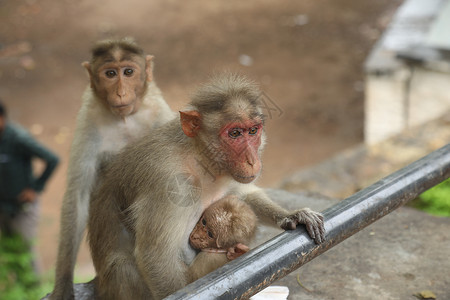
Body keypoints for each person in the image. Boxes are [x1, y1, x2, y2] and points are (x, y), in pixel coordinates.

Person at [0, 100, 59, 273]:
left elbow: (52, 159)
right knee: (10, 252)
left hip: (22, 208)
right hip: (3, 207)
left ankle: (35, 292)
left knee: (26, 251)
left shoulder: (18, 138)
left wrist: (35, 188)